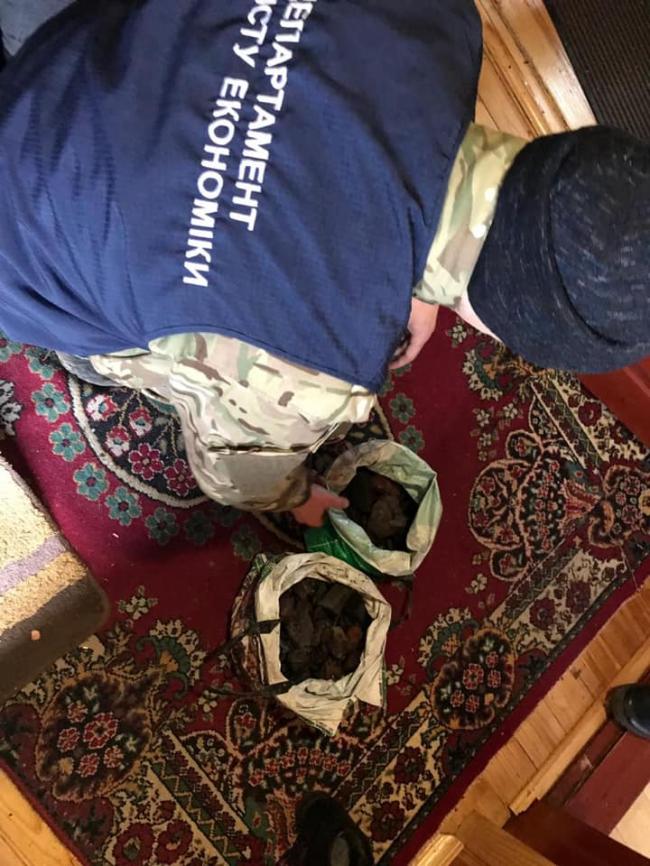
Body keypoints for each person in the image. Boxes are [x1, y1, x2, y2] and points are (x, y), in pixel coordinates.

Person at [0, 1, 648, 527]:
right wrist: (292, 497)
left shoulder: (443, 20)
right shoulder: (313, 365)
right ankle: (94, 360)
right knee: (124, 343)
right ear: (509, 328)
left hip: (84, 47)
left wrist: (422, 273)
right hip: (22, 224)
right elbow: (232, 472)